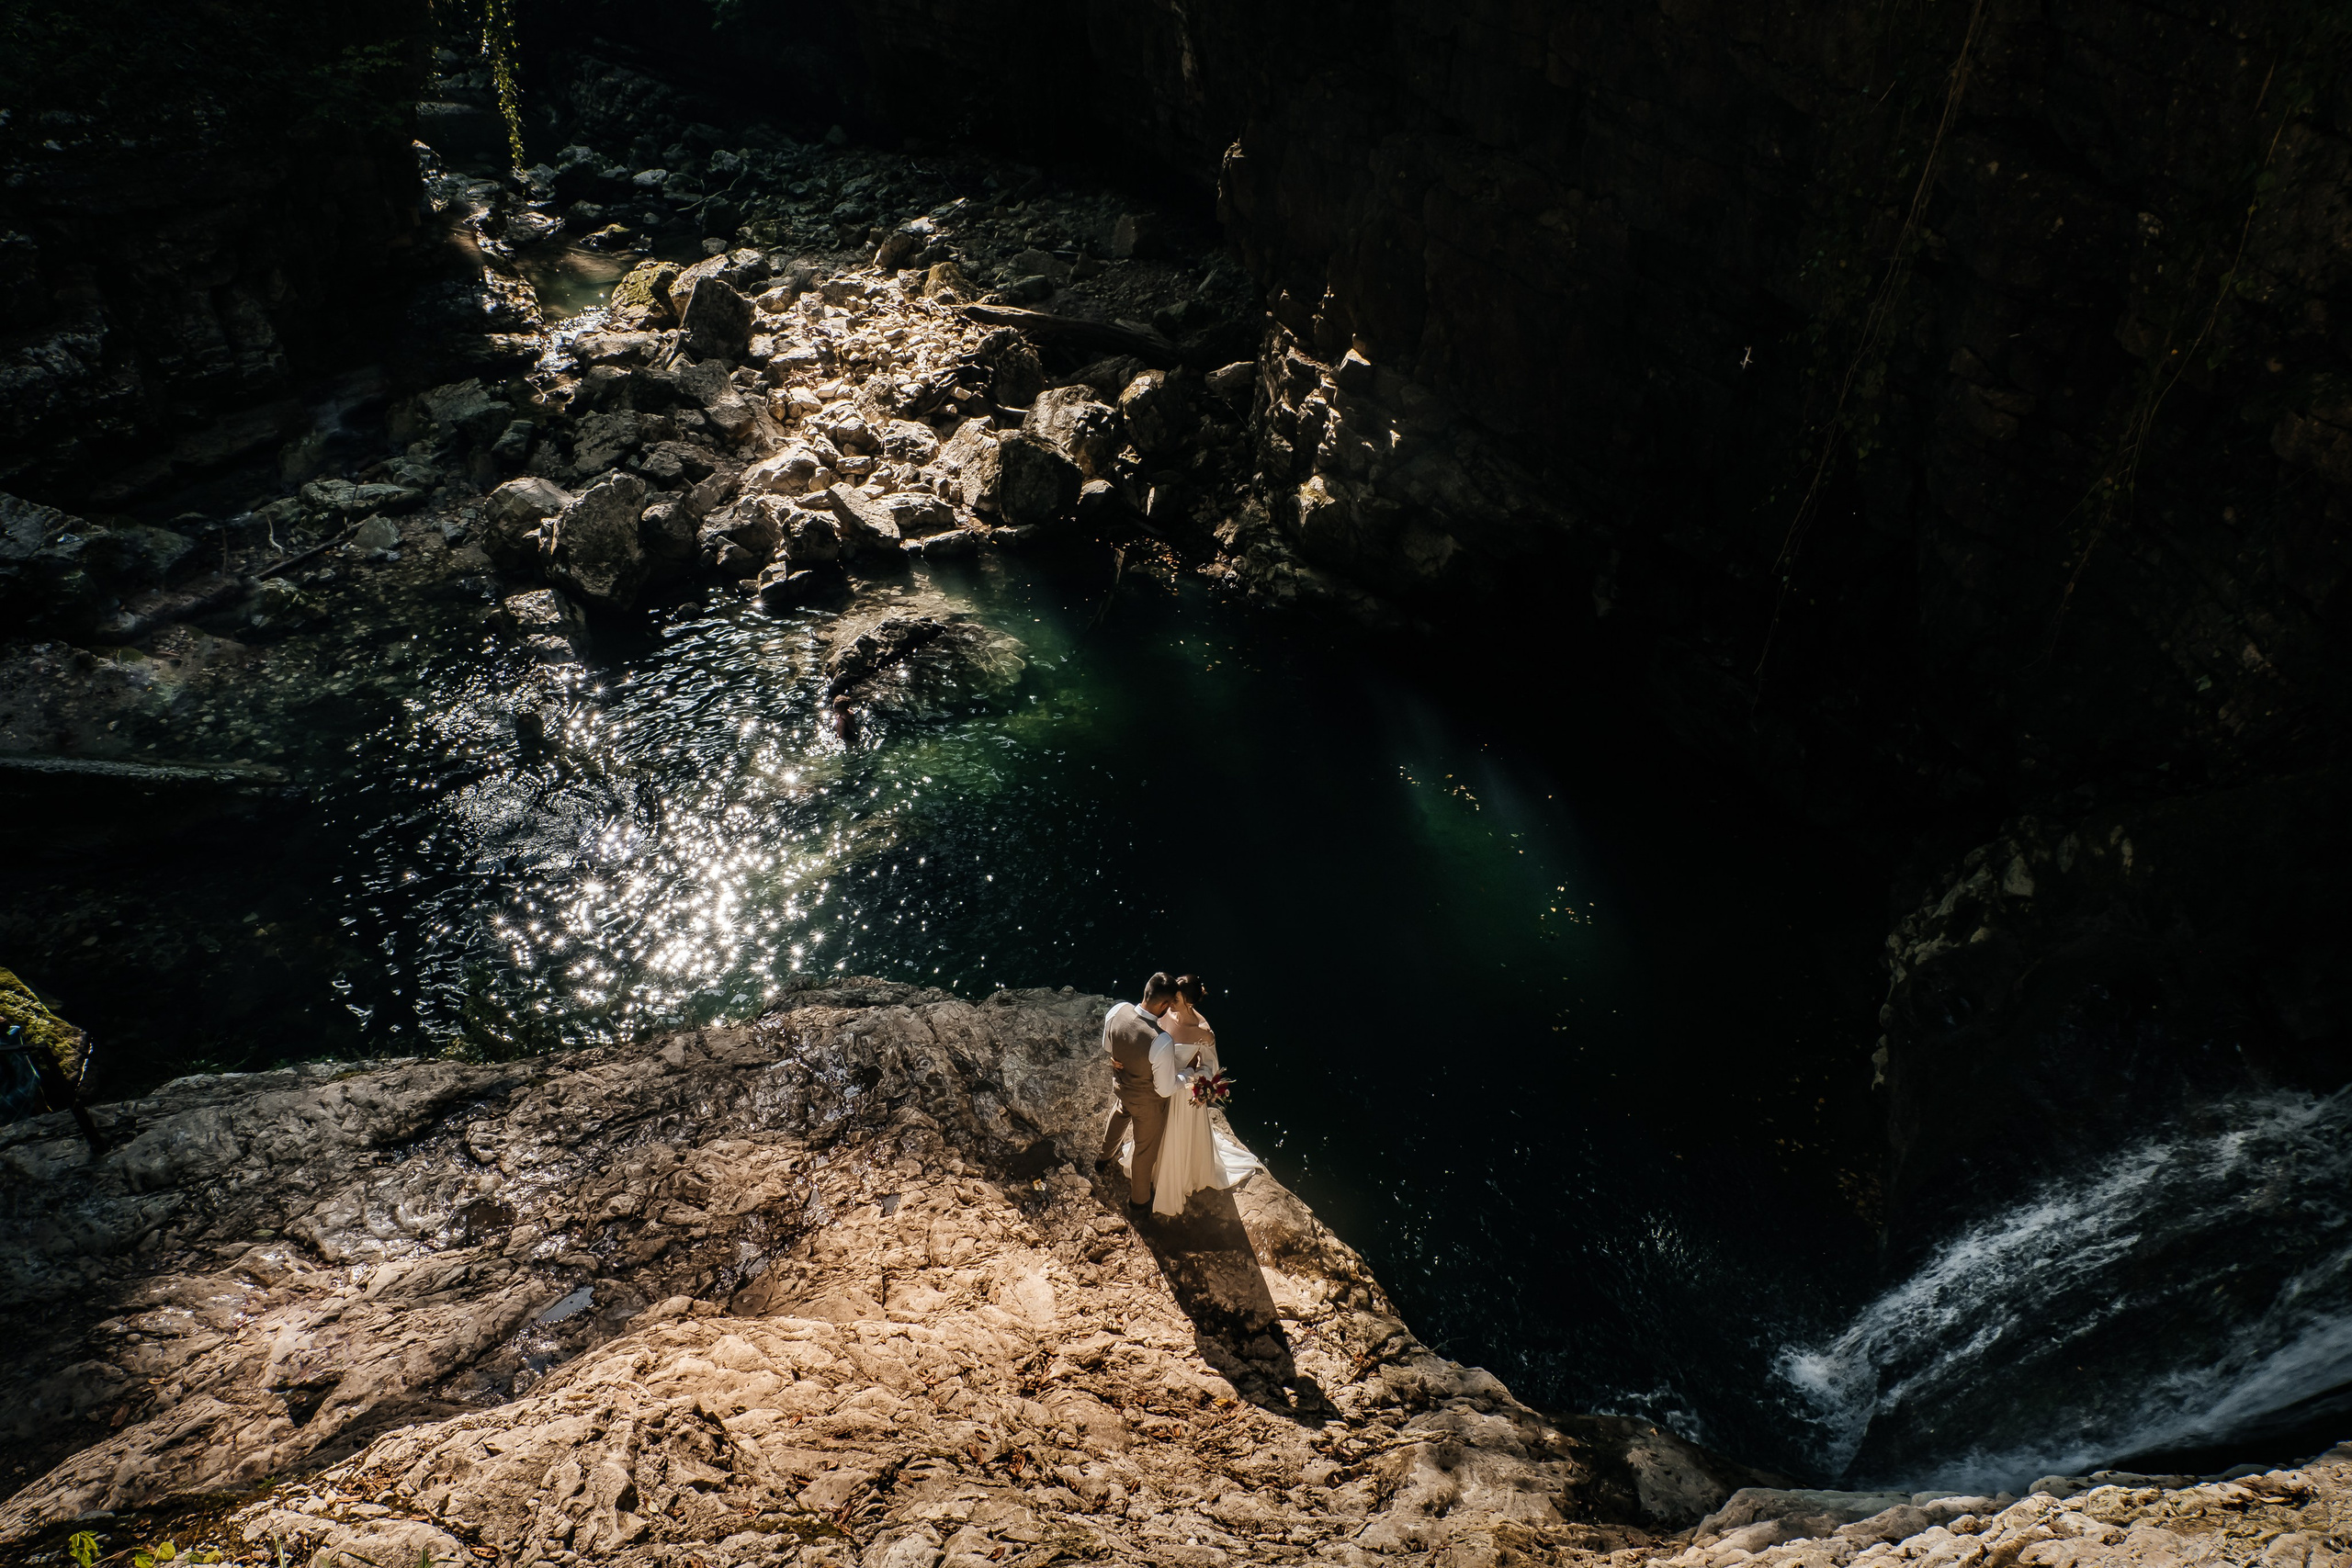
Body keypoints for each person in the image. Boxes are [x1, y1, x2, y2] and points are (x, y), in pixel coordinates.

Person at [1150, 974, 1261, 1216]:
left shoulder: (1203, 1032)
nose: (1170, 1003)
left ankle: (1175, 1179)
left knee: (1178, 1137)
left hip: (1183, 1092)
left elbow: (1210, 1068)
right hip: (1161, 1084)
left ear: (1189, 1002)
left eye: (1176, 1000)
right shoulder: (1166, 1013)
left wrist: (1196, 1083)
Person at [1099, 973, 1180, 1212]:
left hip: (1122, 1089)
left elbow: (1108, 1046)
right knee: (1144, 1152)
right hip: (1147, 1105)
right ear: (1164, 1005)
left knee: (1120, 1112)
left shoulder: (1117, 1010)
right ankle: (1139, 1201)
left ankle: (1103, 1158)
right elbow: (1164, 1089)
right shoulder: (1161, 1041)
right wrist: (1186, 1078)